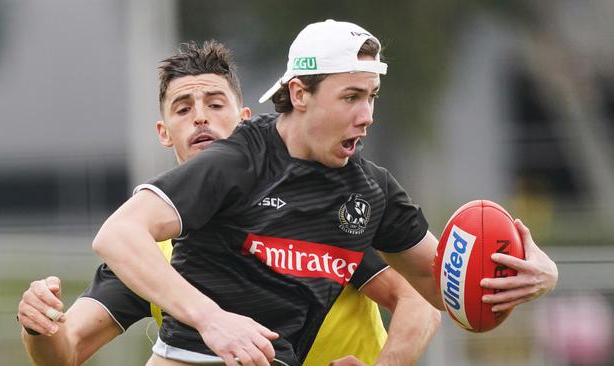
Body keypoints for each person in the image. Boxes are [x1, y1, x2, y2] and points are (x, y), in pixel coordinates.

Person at [92, 20, 558, 366]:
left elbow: (442, 291)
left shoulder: (370, 190)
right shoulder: (238, 159)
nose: (367, 114)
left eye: (372, 96)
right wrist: (212, 320)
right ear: (299, 93)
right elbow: (118, 234)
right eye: (351, 97)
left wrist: (536, 279)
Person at [17, 40, 439, 366]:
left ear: (244, 121)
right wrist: (40, 326)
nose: (200, 117)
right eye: (184, 109)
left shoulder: (323, 203)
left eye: (215, 104)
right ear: (165, 134)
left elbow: (420, 296)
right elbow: (68, 350)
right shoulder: (146, 251)